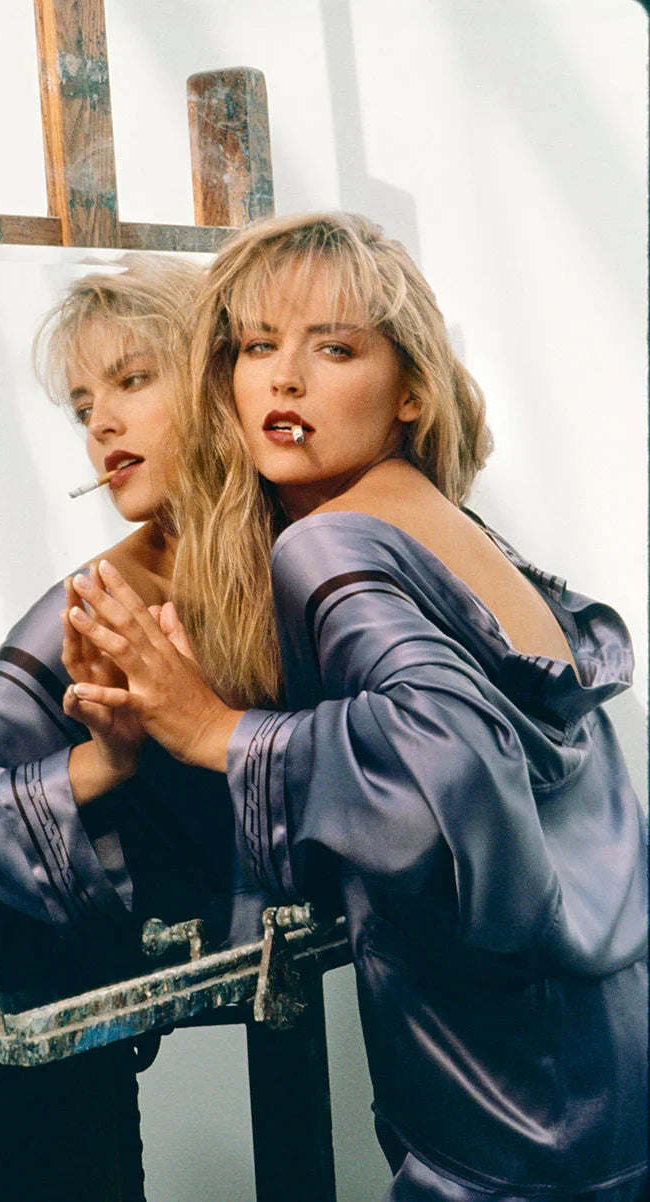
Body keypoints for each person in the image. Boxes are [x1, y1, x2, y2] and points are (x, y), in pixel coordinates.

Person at [65, 214, 648, 1198]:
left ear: (411, 388)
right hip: (611, 1053)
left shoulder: (329, 544)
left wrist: (217, 731)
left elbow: (448, 771)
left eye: (334, 347)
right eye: (257, 347)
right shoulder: (439, 516)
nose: (285, 380)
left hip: (510, 1103)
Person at [0, 253, 273, 1011]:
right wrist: (107, 760)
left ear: (211, 375)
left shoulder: (312, 536)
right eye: (81, 406)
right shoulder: (101, 604)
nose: (101, 422)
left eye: (133, 380)